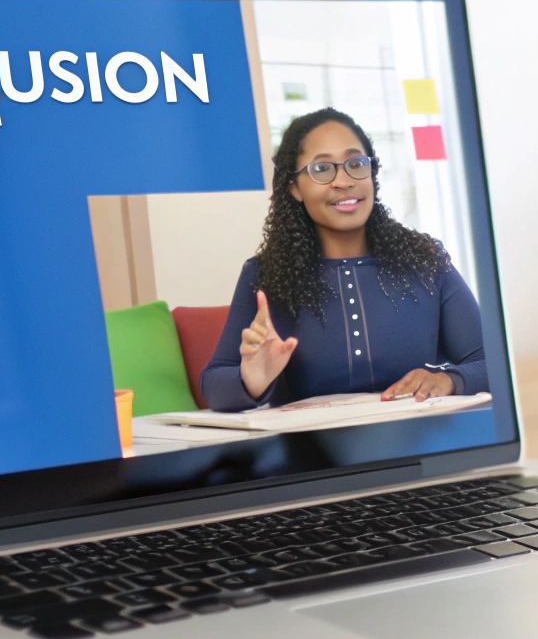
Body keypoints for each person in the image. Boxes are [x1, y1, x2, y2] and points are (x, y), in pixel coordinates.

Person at [201, 107, 488, 412]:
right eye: (322, 169)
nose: (344, 180)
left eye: (356, 163)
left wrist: (449, 379)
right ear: (294, 188)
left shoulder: (426, 263)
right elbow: (214, 386)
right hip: (312, 455)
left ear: (372, 174)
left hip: (418, 446)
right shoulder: (264, 275)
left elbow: (493, 361)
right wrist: (252, 378)